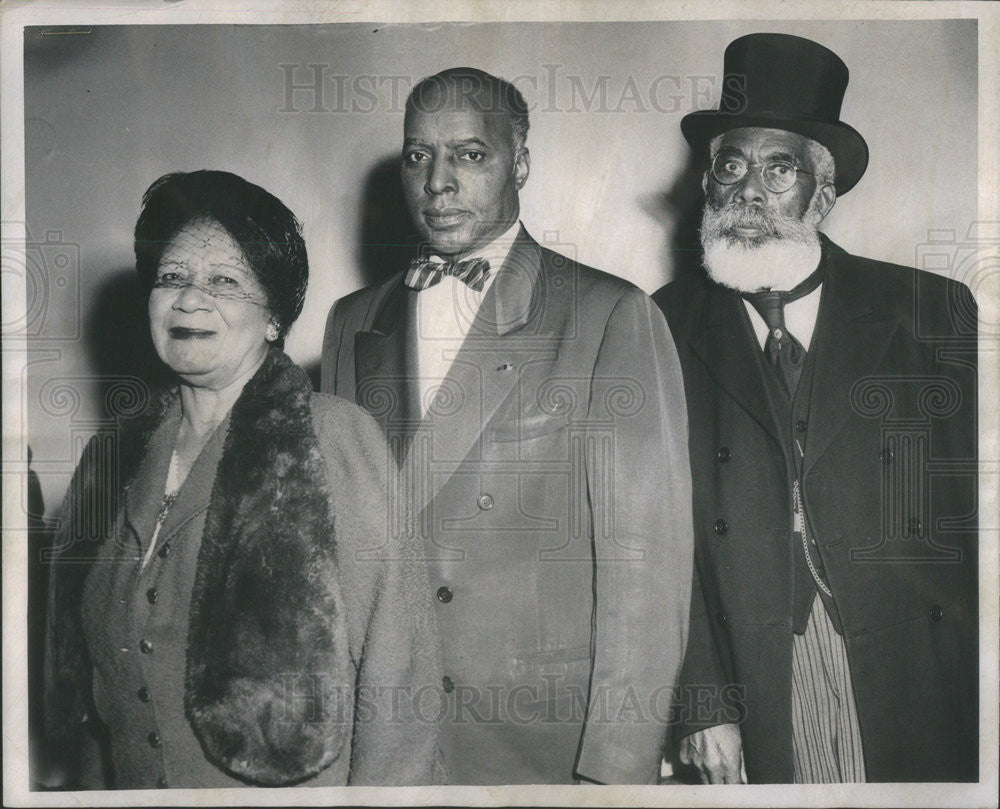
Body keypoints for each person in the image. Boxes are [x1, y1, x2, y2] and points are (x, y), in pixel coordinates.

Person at [321, 67, 693, 784]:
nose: (438, 182)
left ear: (519, 161)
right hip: (383, 743)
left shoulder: (611, 316)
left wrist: (614, 773)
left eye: (470, 153)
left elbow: (645, 572)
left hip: (536, 746)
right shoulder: (349, 323)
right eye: (417, 155)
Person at [44, 170, 442, 789]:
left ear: (275, 317)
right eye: (172, 277)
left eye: (224, 282)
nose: (189, 300)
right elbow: (93, 700)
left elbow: (402, 688)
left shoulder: (333, 440)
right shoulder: (111, 457)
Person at [654, 33, 978, 783]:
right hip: (753, 665)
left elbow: (979, 516)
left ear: (821, 196)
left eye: (779, 169)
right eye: (730, 165)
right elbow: (656, 535)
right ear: (706, 183)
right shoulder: (658, 324)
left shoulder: (931, 311)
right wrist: (703, 701)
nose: (748, 192)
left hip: (915, 665)